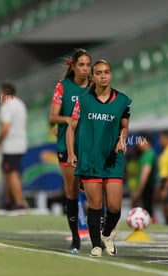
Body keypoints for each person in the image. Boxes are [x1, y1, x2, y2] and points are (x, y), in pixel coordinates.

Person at [66, 60, 131, 258]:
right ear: (92, 77)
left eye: (107, 72)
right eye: (99, 73)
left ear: (111, 75)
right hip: (90, 160)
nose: (103, 76)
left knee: (114, 207)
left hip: (112, 160)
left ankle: (106, 235)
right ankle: (96, 245)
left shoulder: (122, 101)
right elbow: (71, 128)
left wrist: (122, 140)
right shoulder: (83, 101)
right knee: (95, 205)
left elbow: (124, 127)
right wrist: (71, 153)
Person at [49, 48, 92, 254]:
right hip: (66, 146)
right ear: (73, 66)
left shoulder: (95, 87)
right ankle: (75, 237)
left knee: (94, 189)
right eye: (81, 65)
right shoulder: (62, 87)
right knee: (72, 191)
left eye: (87, 65)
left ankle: (98, 234)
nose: (85, 69)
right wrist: (68, 120)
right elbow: (53, 117)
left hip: (89, 146)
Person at [0, 81, 27, 211]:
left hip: (11, 145)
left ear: (4, 93)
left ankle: (19, 203)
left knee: (12, 173)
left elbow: (5, 127)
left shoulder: (7, 106)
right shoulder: (20, 104)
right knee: (9, 172)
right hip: (20, 143)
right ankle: (8, 201)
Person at [131, 133, 157, 223]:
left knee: (147, 212)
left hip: (146, 188)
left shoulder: (148, 154)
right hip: (145, 188)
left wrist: (139, 191)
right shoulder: (144, 154)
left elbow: (145, 174)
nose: (138, 144)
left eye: (140, 141)